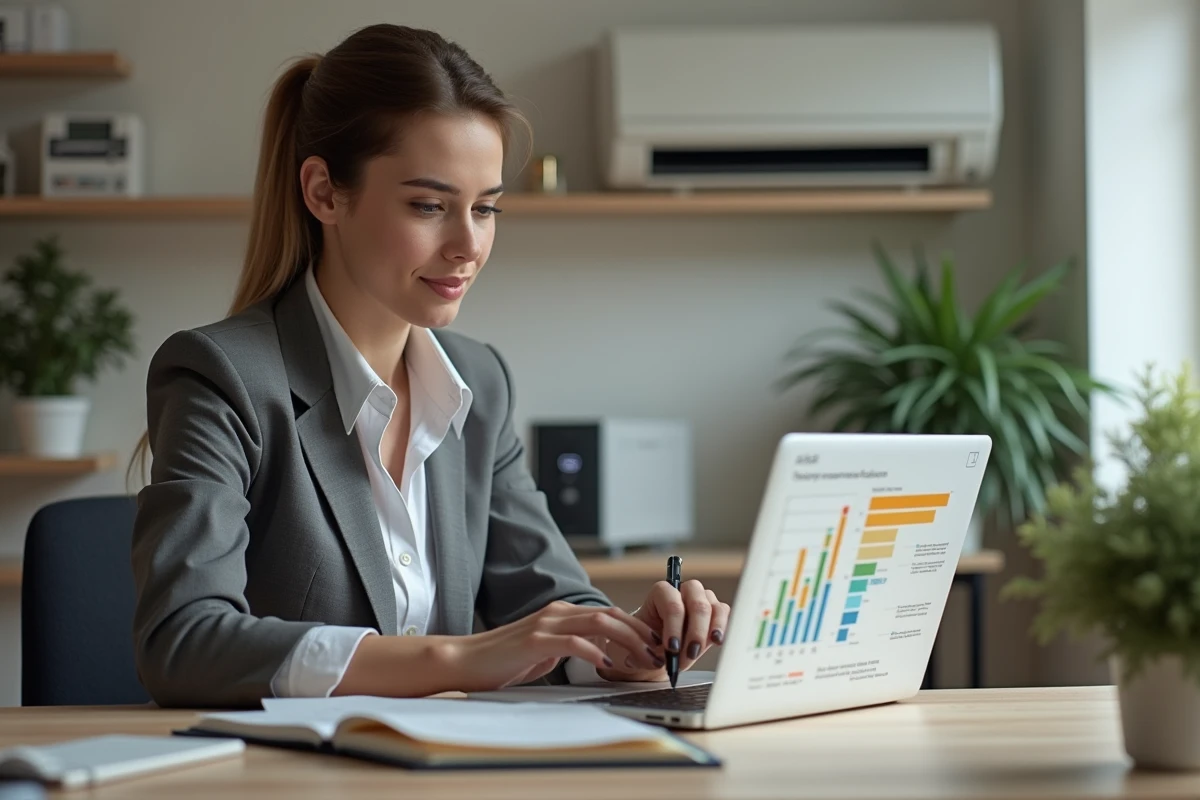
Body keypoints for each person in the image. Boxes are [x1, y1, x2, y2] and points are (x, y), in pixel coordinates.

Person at [129, 23, 730, 709]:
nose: (468, 244)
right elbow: (182, 641)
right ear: (324, 192)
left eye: (486, 207)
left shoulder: (479, 382)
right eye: (428, 206)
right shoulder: (221, 375)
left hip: (443, 759)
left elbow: (549, 603)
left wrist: (634, 644)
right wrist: (458, 658)